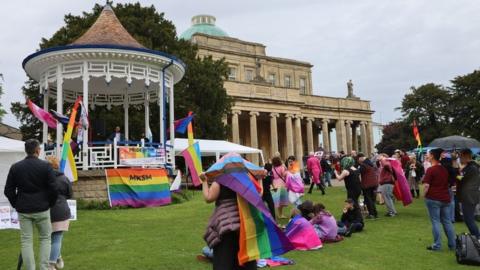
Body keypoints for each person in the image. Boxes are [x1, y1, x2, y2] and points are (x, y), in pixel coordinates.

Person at [4, 139, 58, 270]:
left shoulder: (16, 167)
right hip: (42, 208)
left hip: (24, 209)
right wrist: (49, 203)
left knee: (26, 241)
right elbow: (54, 189)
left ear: (26, 151)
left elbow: (8, 190)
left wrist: (16, 203)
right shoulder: (46, 166)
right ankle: (44, 268)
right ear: (38, 150)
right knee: (45, 239)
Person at [201, 173, 257, 269]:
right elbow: (257, 195)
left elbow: (209, 198)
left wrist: (204, 181)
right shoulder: (244, 179)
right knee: (245, 254)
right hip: (243, 222)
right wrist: (259, 179)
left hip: (225, 224)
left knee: (225, 257)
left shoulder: (220, 180)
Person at [422, 148, 456, 251]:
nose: (427, 156)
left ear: (432, 156)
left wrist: (424, 195)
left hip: (434, 198)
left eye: (428, 154)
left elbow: (426, 185)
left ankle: (437, 245)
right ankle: (452, 244)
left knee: (435, 221)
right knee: (447, 221)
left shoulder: (431, 169)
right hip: (445, 198)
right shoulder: (444, 169)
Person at [46, 156, 73, 270]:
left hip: (47, 210)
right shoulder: (64, 178)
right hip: (61, 210)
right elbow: (70, 194)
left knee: (52, 238)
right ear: (57, 164)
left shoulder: (44, 179)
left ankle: (55, 260)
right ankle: (53, 262)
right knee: (57, 238)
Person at [457, 148, 480, 239]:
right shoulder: (473, 167)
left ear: (465, 156)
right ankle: (477, 238)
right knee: (469, 219)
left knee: (469, 219)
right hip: (471, 195)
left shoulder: (471, 168)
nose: (460, 158)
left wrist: (457, 175)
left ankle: (477, 239)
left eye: (460, 156)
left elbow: (462, 179)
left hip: (469, 196)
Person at [358, 153, 378, 219]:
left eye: (358, 159)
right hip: (373, 183)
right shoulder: (370, 163)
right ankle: (375, 213)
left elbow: (358, 172)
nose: (358, 161)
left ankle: (371, 214)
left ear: (361, 158)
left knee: (368, 199)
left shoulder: (363, 165)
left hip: (367, 184)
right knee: (372, 199)